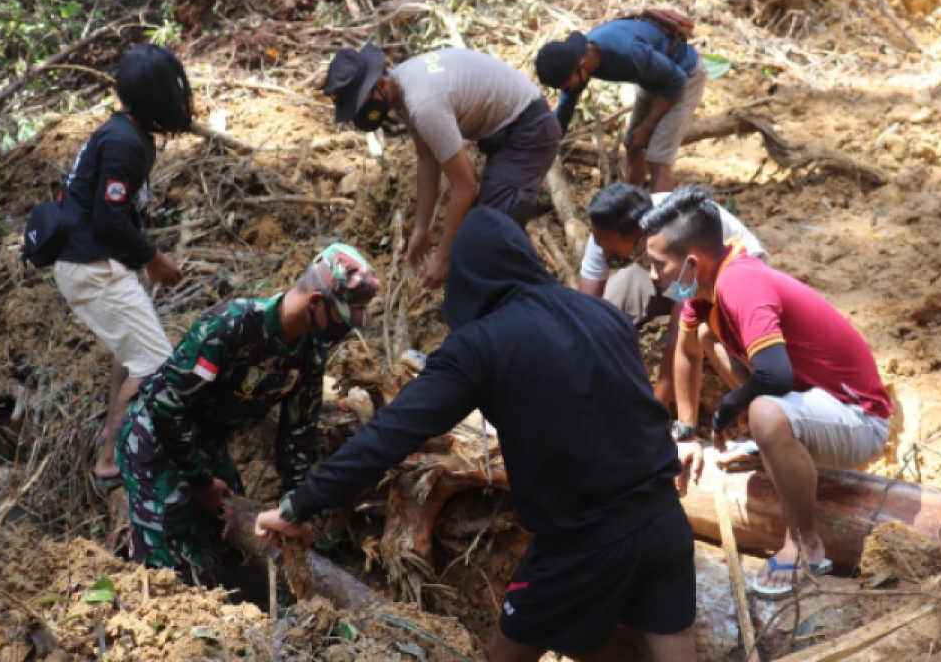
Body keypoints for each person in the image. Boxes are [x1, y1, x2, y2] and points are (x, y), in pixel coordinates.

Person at [256, 208, 703, 662]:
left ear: (467, 276)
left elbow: (393, 432)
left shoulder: (480, 345)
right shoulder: (601, 314)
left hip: (581, 539)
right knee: (669, 646)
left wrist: (299, 504)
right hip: (664, 520)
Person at [641, 186, 892, 598]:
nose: (654, 276)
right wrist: (686, 434)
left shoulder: (741, 284)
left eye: (657, 265)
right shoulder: (705, 293)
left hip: (860, 419)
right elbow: (687, 351)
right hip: (813, 400)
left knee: (763, 412)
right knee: (707, 336)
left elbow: (775, 375)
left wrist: (729, 405)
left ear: (690, 262)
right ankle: (777, 444)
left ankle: (805, 543)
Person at [115, 244, 380, 585]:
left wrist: (293, 508)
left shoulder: (310, 352)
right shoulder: (231, 326)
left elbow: (298, 435)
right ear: (315, 302)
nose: (345, 330)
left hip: (208, 443)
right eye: (343, 319)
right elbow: (167, 405)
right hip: (154, 441)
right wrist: (201, 481)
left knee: (233, 541)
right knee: (172, 568)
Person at [53, 44, 190, 484]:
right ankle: (118, 459)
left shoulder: (122, 132)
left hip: (91, 259)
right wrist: (154, 259)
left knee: (130, 358)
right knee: (158, 367)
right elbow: (107, 216)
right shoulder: (124, 143)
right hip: (91, 266)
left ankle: (112, 450)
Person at [323, 44, 562, 289]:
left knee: (486, 237)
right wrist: (421, 228)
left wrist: (443, 256)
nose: (359, 114)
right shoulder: (404, 84)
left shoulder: (424, 103)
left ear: (381, 85)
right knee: (494, 230)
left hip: (528, 135)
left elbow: (466, 186)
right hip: (507, 134)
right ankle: (524, 288)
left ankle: (540, 296)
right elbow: (427, 158)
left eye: (361, 105)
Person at [580, 184, 769, 443]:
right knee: (611, 305)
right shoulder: (607, 233)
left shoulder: (680, 232)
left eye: (616, 256)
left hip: (722, 276)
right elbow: (584, 316)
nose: (606, 257)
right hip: (668, 267)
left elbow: (678, 341)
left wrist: (654, 417)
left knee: (707, 336)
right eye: (609, 257)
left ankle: (760, 412)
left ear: (644, 235)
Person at [536, 16, 706, 193]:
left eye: (567, 85)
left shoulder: (628, 52)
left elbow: (676, 80)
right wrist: (548, 145)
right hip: (653, 79)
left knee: (658, 159)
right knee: (633, 144)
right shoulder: (581, 59)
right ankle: (629, 207)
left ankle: (660, 218)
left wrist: (647, 127)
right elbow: (566, 105)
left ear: (582, 64)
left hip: (684, 76)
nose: (569, 89)